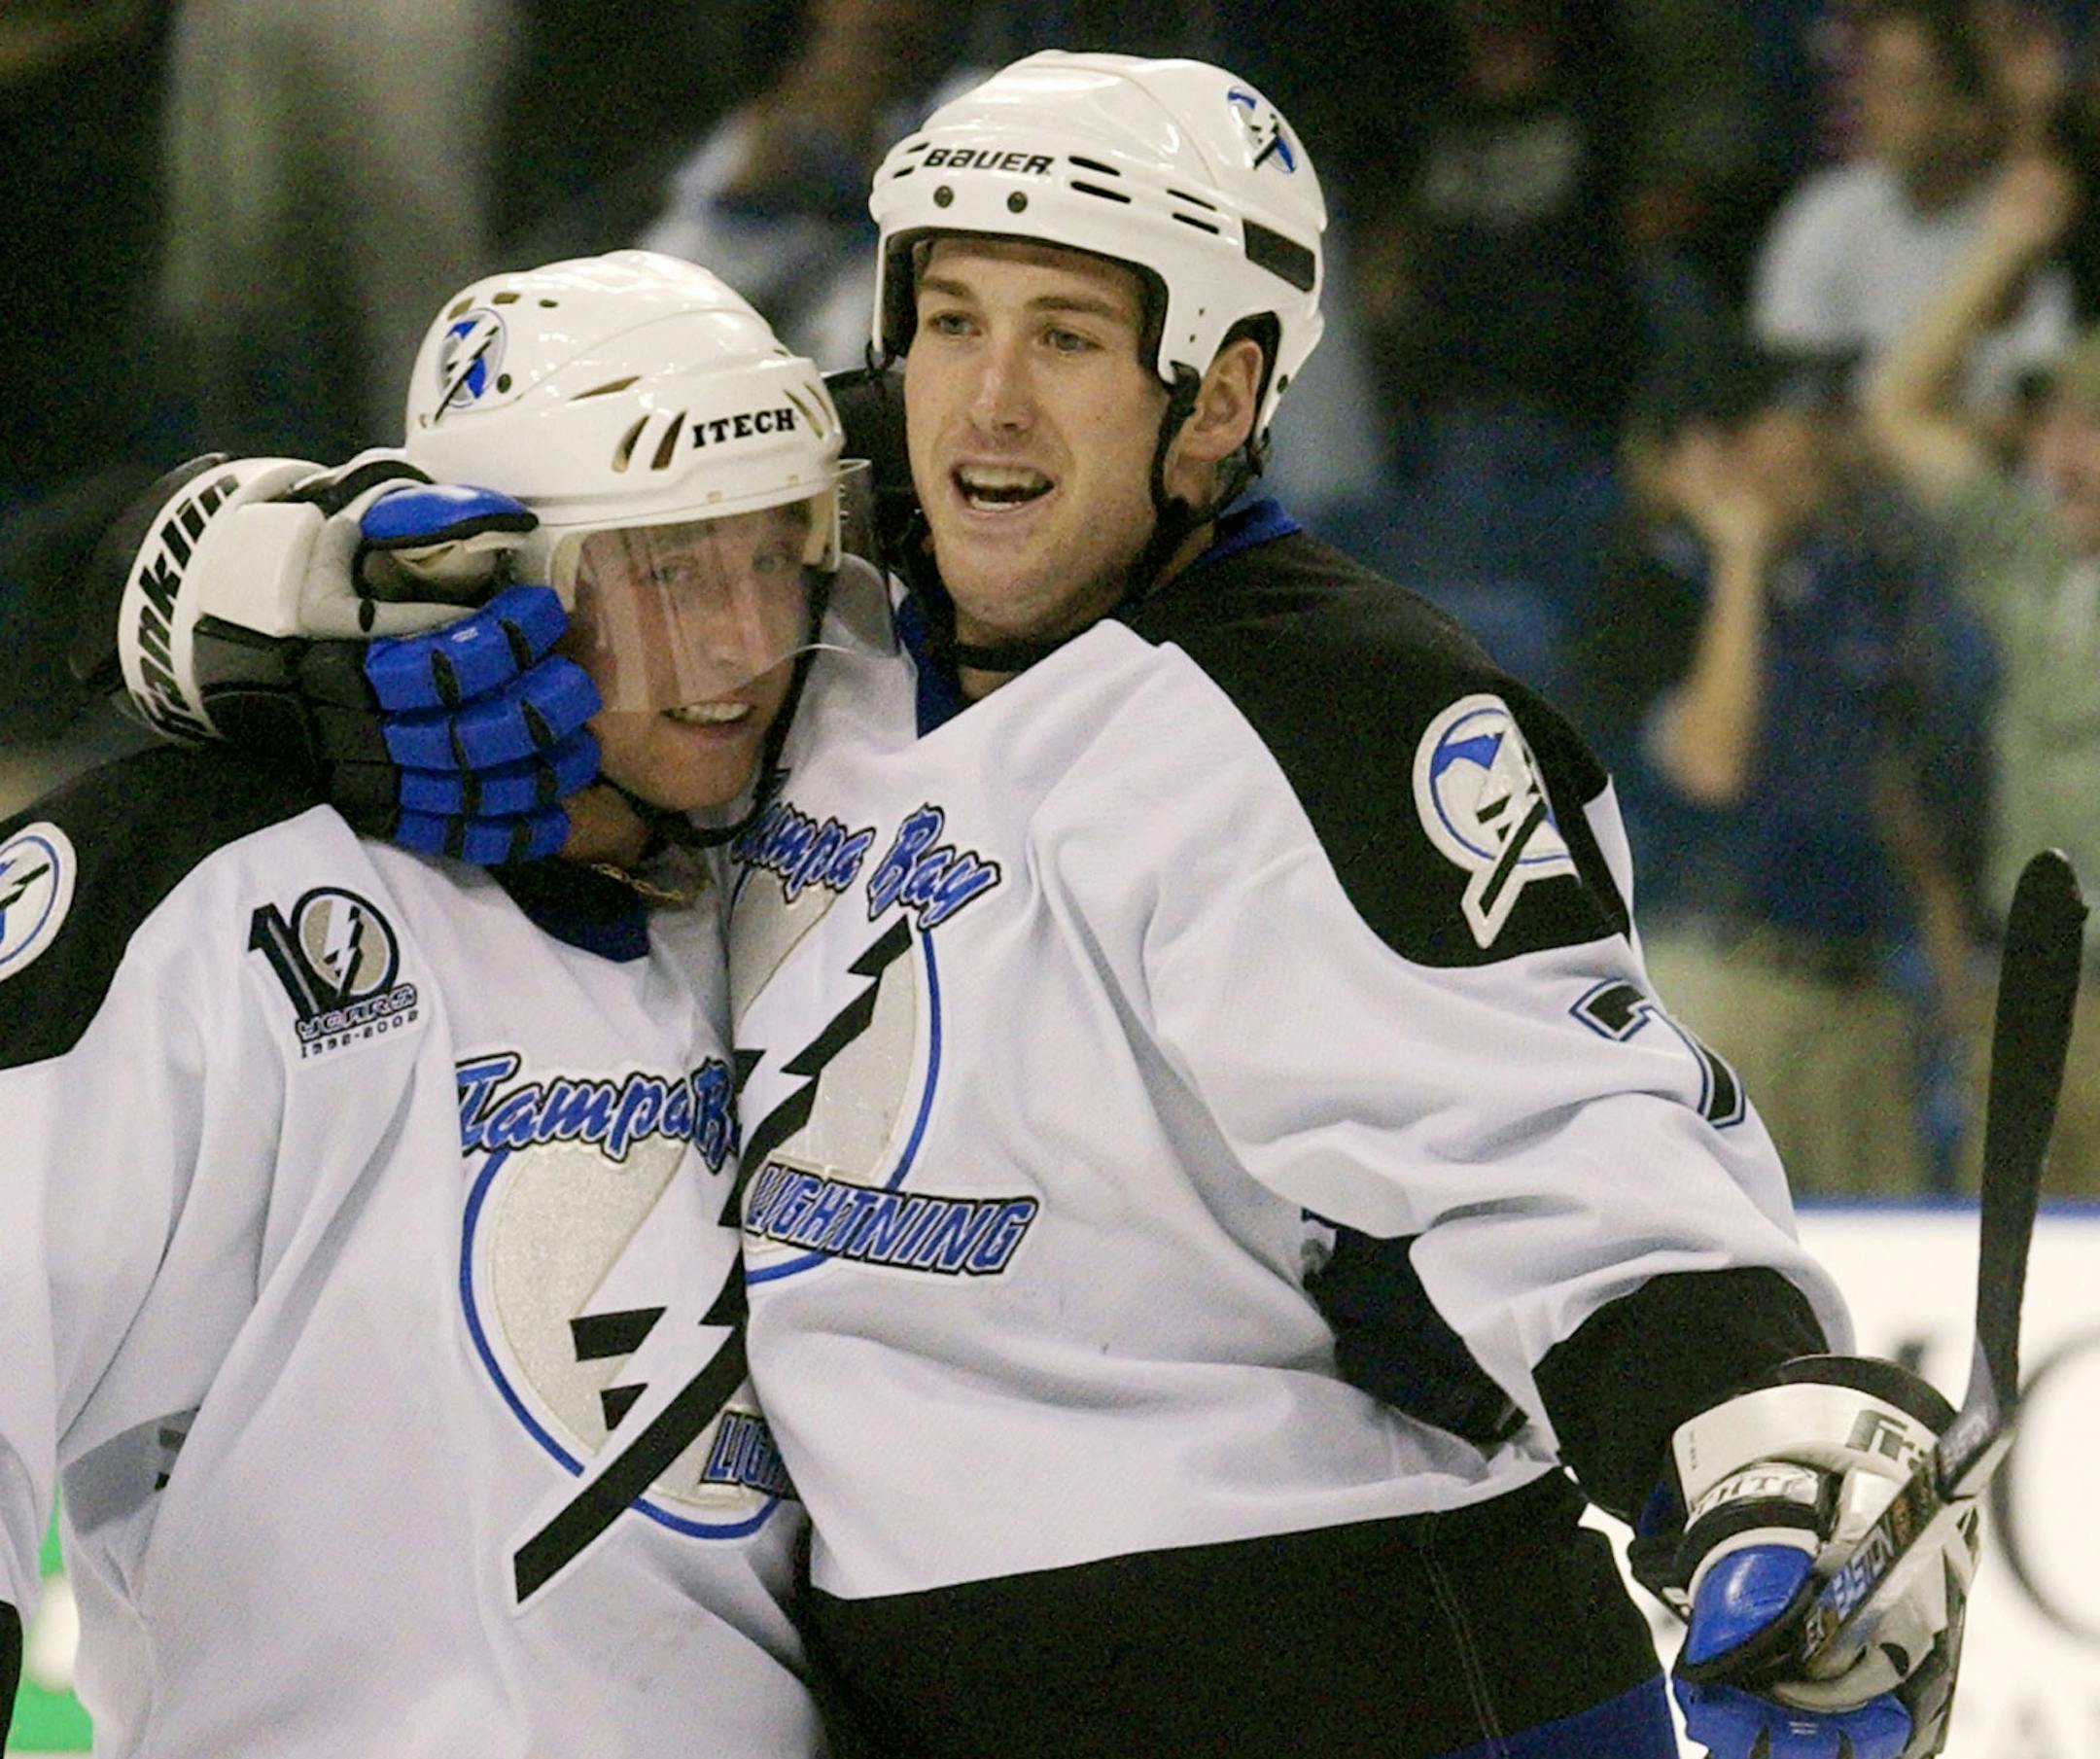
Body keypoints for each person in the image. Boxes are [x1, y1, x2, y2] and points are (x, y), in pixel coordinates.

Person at [89, 54, 1984, 1759]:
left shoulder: (1329, 709)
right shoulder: (819, 591)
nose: (985, 392)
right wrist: (228, 585)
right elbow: (508, 500)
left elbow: (1563, 1138)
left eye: (1071, 336)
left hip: (1342, 1665)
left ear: (1221, 394)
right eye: (949, 319)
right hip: (924, 1690)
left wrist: (1760, 1449)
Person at [0, 250, 853, 1755]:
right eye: (661, 572)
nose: (734, 647)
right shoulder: (217, 896)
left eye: (772, 560)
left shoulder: (818, 882)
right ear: (483, 574)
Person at [1578, 341, 1986, 1194]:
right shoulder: (1642, 589)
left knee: (1880, 1284)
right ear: (1711, 447)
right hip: (1719, 986)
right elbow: (1711, 766)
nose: (1818, 440)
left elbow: (1889, 789)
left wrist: (1949, 966)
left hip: (1859, 989)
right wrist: (1736, 556)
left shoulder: (1844, 585)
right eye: (1792, 419)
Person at [1864, 147, 2100, 1193]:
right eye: (2055, 429)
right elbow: (1897, 409)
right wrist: (2001, 245)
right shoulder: (2028, 553)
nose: (2060, 458)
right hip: (2046, 997)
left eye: (2093, 434)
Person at [1751, 0, 2073, 410]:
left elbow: (2033, 399)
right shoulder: (1823, 211)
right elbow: (1786, 385)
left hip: (1966, 460)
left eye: (1905, 86)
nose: (1875, 105)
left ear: (1969, 112)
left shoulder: (2018, 224)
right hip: (1840, 461)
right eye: (1871, 80)